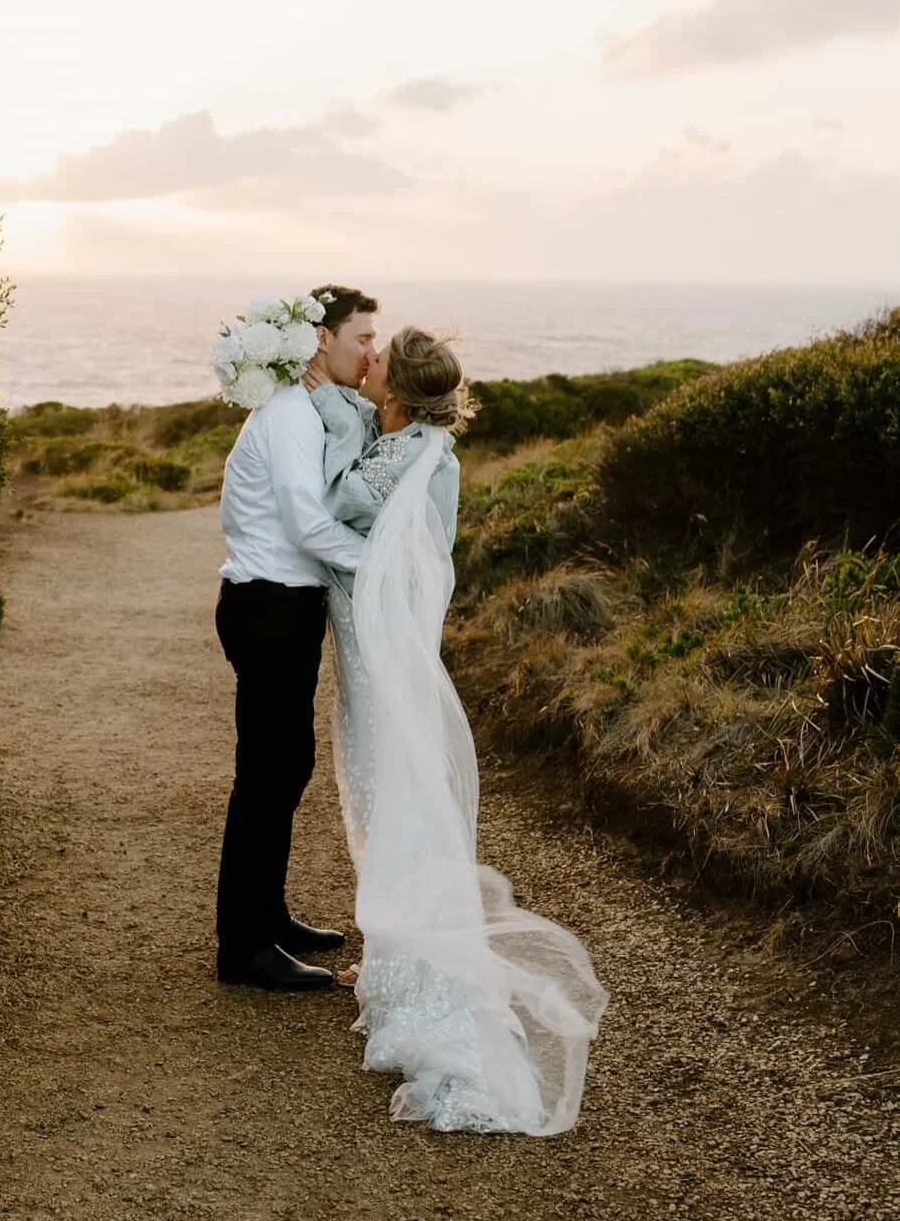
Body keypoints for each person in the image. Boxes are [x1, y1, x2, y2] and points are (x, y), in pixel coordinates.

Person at [305, 326, 609, 1133]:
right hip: (381, 654)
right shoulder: (422, 444)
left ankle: (425, 981)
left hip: (381, 660)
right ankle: (401, 948)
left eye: (375, 361)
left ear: (398, 394)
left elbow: (334, 508)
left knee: (397, 799)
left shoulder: (404, 459)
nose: (363, 362)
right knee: (390, 798)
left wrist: (332, 417)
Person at [213, 285, 379, 990]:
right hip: (269, 606)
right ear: (322, 340)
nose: (373, 351)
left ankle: (268, 917)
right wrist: (385, 561)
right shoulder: (288, 417)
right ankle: (244, 950)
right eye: (363, 337)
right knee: (267, 777)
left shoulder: (303, 410)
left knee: (287, 767)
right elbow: (309, 526)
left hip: (283, 605)